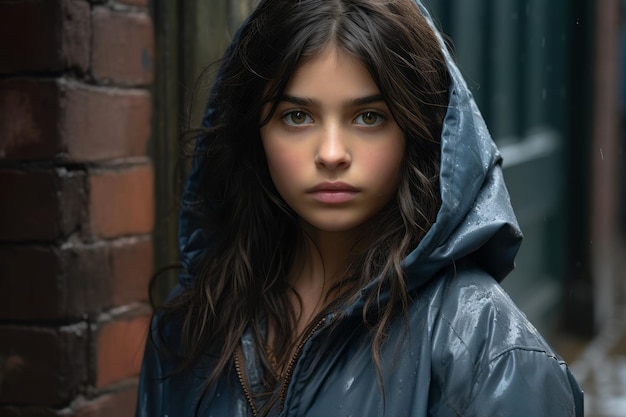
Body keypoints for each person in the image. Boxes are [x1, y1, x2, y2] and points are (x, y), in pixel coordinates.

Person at [136, 0, 584, 415]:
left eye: (369, 116)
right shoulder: (188, 331)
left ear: (418, 133)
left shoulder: (491, 356)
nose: (332, 153)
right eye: (297, 116)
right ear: (254, 134)